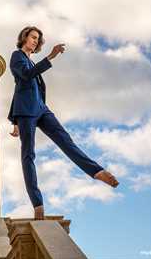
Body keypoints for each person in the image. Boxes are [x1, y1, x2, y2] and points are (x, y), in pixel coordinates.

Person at [8, 26, 119, 220]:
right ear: (24, 37)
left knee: (66, 140)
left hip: (41, 109)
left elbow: (20, 89)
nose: (35, 41)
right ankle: (37, 203)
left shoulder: (31, 60)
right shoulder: (16, 56)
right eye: (33, 37)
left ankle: (96, 171)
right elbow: (24, 77)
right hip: (26, 113)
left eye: (38, 39)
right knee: (28, 154)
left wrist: (13, 120)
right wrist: (50, 57)